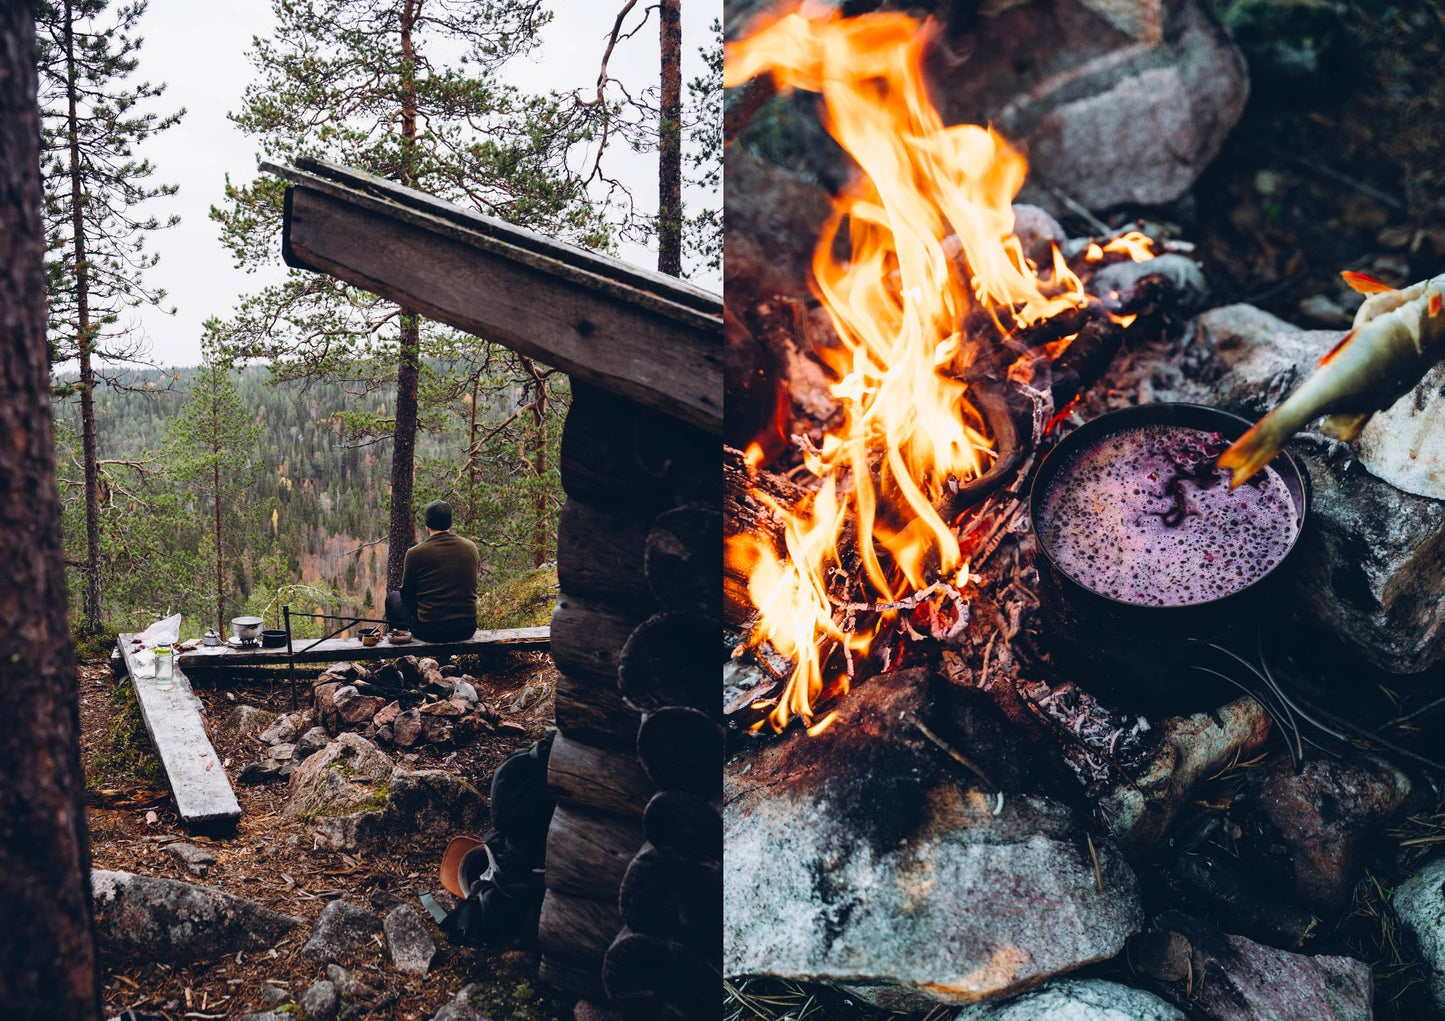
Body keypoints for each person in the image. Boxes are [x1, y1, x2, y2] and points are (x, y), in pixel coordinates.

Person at [385, 500, 481, 643]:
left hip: (430, 631)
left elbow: (406, 595)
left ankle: (400, 652)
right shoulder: (471, 548)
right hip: (466, 628)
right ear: (451, 523)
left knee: (393, 598)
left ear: (427, 526)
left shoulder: (415, 553)